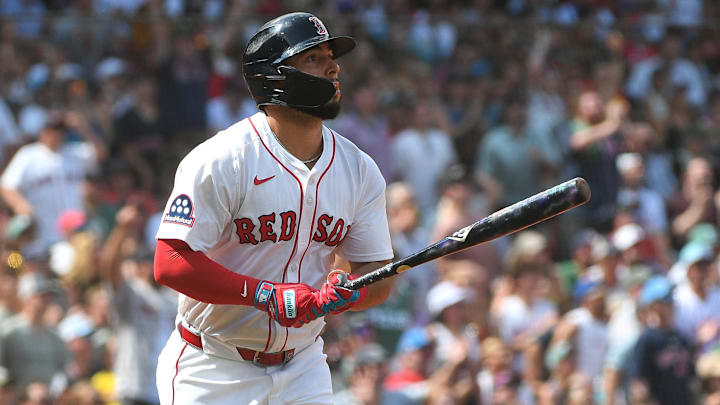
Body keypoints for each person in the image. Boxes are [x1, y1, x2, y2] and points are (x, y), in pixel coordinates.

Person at [153, 13, 395, 405]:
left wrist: (351, 291)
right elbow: (169, 261)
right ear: (276, 76)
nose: (334, 67)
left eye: (331, 55)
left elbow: (378, 275)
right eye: (313, 58)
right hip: (214, 364)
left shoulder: (359, 169)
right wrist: (263, 294)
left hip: (303, 365)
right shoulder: (224, 159)